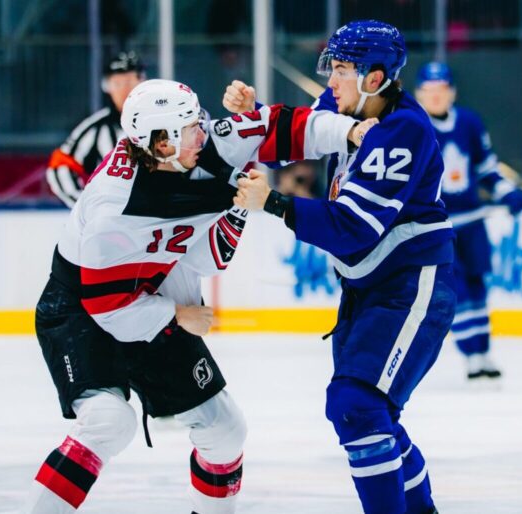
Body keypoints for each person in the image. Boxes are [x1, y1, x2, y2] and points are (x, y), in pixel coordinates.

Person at [25, 79, 371, 514]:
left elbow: (279, 127)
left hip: (151, 293)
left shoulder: (198, 145)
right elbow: (107, 306)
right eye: (191, 127)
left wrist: (349, 131)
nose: (204, 131)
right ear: (162, 143)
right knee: (109, 422)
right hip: (82, 308)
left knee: (224, 430)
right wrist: (176, 314)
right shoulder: (112, 210)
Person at [229, 20, 455, 514]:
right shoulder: (346, 108)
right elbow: (284, 139)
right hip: (369, 291)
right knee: (372, 415)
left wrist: (275, 203)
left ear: (375, 78)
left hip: (411, 287)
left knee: (356, 407)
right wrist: (251, 115)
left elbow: (353, 228)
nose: (330, 81)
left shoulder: (402, 131)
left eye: (342, 70)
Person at [414, 61, 522, 381]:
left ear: (452, 92)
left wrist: (508, 192)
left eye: (442, 89)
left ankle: (484, 352)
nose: (436, 96)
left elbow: (486, 168)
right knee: (459, 290)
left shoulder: (469, 122)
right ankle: (471, 355)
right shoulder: (414, 128)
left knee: (478, 287)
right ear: (419, 94)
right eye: (429, 90)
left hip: (473, 222)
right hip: (439, 229)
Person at [45, 51, 146, 207]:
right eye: (117, 83)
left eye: (130, 81)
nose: (124, 89)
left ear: (143, 82)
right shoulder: (96, 128)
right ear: (107, 86)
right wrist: (87, 207)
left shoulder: (166, 119)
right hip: (116, 218)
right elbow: (60, 165)